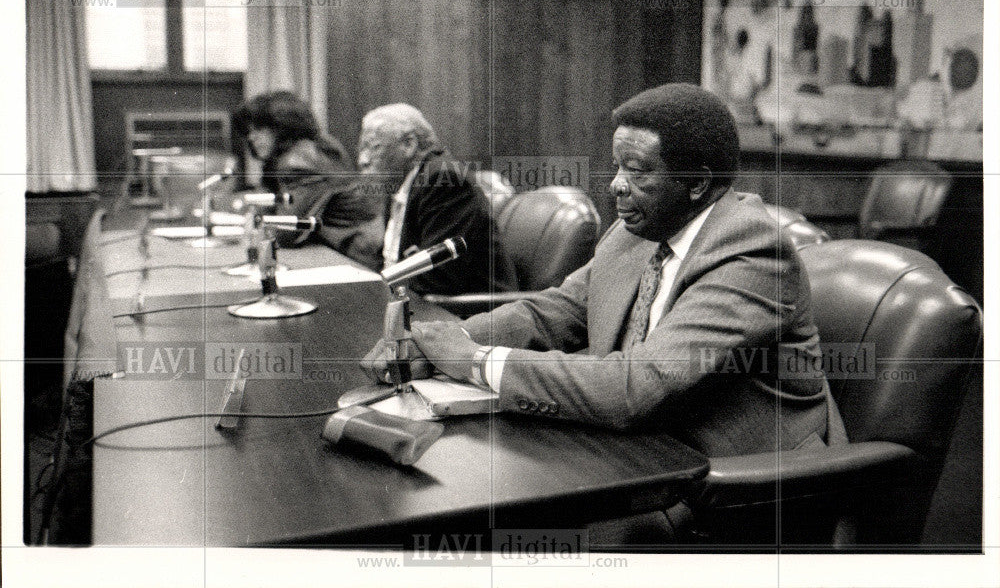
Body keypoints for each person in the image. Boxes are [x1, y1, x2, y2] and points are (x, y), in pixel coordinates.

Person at [362, 84, 846, 458]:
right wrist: (437, 346)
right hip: (639, 449)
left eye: (637, 171)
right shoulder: (635, 231)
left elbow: (638, 385)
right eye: (616, 166)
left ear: (697, 184)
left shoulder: (751, 250)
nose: (616, 185)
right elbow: (553, 311)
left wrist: (474, 360)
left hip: (739, 478)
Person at [357, 103, 518, 296]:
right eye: (361, 149)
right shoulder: (401, 181)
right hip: (416, 300)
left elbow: (438, 279)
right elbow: (388, 259)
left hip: (469, 312)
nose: (362, 160)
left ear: (409, 144)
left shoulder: (444, 180)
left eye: (374, 147)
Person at [232, 91, 382, 269]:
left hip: (356, 257)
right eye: (249, 131)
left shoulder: (300, 160)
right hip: (345, 250)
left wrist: (257, 219)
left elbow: (285, 233)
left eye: (259, 129)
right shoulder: (315, 147)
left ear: (283, 126)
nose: (251, 137)